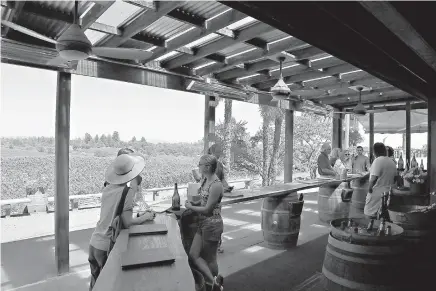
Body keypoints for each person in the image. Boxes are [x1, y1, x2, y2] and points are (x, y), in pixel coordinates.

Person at [88, 154, 155, 290]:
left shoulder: (107, 188)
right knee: (110, 285)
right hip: (107, 246)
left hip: (94, 243)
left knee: (95, 285)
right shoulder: (127, 192)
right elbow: (128, 222)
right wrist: (147, 216)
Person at [185, 154, 224, 291]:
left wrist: (190, 207)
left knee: (211, 258)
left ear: (207, 167)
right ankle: (213, 282)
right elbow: (203, 201)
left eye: (200, 164)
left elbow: (207, 209)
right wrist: (193, 202)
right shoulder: (204, 180)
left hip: (212, 224)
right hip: (203, 223)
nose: (198, 166)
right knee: (193, 255)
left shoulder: (216, 185)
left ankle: (215, 285)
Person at [364, 143, 396, 218]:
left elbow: (374, 178)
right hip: (387, 192)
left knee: (369, 215)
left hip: (376, 193)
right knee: (382, 216)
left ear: (374, 152)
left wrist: (369, 189)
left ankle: (371, 228)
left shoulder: (378, 160)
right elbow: (396, 178)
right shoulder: (391, 161)